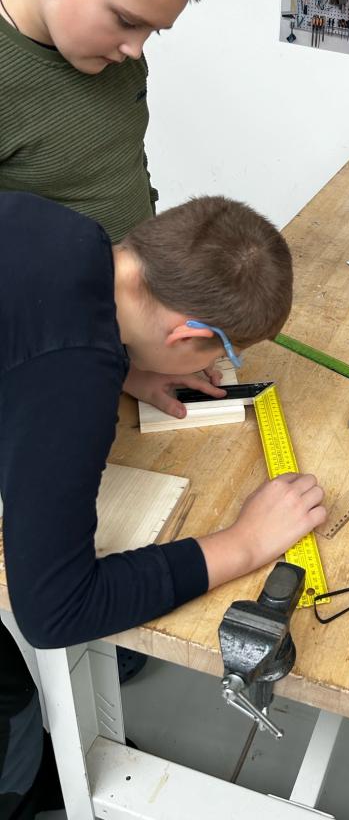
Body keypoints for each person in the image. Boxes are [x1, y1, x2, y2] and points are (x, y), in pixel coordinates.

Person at [0, 192, 327, 816]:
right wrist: (244, 543)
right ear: (188, 335)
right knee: (9, 708)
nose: (219, 365)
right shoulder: (71, 383)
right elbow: (54, 608)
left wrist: (122, 366)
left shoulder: (70, 232)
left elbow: (31, 323)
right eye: (221, 353)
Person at [0, 0, 218, 421]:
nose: (136, 49)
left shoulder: (111, 59)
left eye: (152, 31)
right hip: (42, 365)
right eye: (125, 20)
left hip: (110, 345)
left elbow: (120, 169)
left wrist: (133, 355)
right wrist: (96, 360)